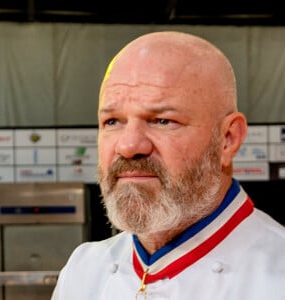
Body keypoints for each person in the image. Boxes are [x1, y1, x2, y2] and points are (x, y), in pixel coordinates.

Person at [51, 31, 285, 299]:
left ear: (228, 139)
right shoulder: (84, 271)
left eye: (162, 120)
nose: (128, 146)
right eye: (112, 121)